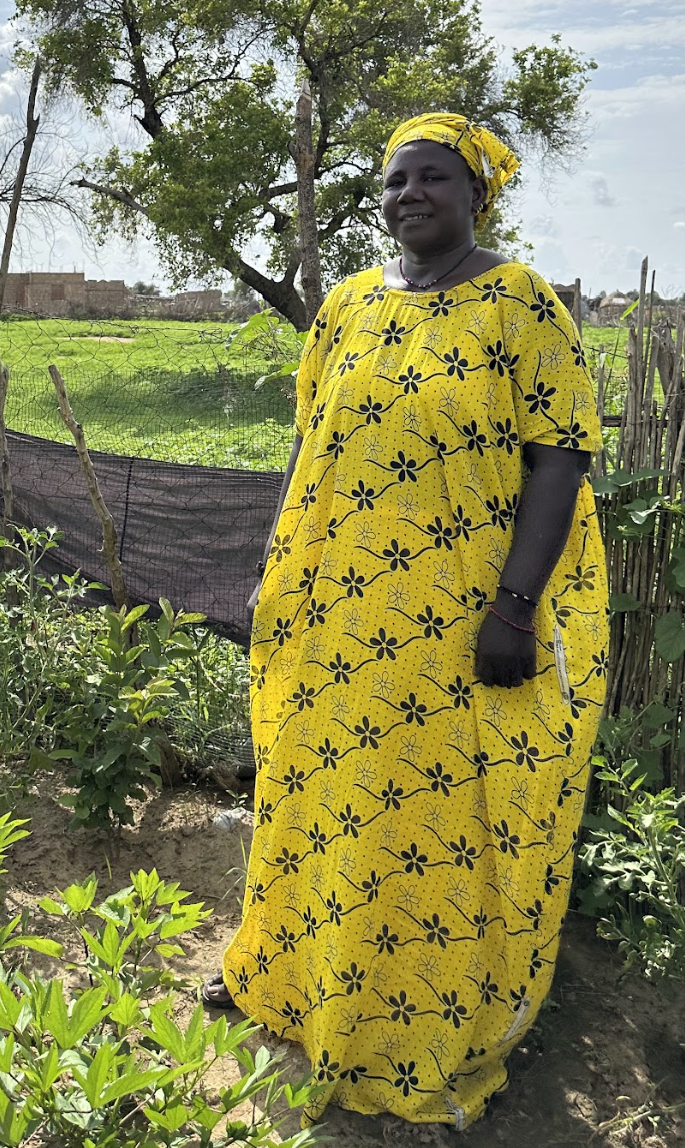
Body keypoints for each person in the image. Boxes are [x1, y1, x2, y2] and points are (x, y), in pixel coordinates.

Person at [202, 112, 608, 1131]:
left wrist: (512, 608)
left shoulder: (521, 306)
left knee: (436, 826)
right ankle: (296, 986)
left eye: (430, 178)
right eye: (391, 183)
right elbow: (309, 452)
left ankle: (420, 1032)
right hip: (334, 615)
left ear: (476, 194)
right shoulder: (344, 307)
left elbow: (557, 460)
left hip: (458, 619)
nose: (406, 196)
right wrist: (270, 573)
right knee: (319, 795)